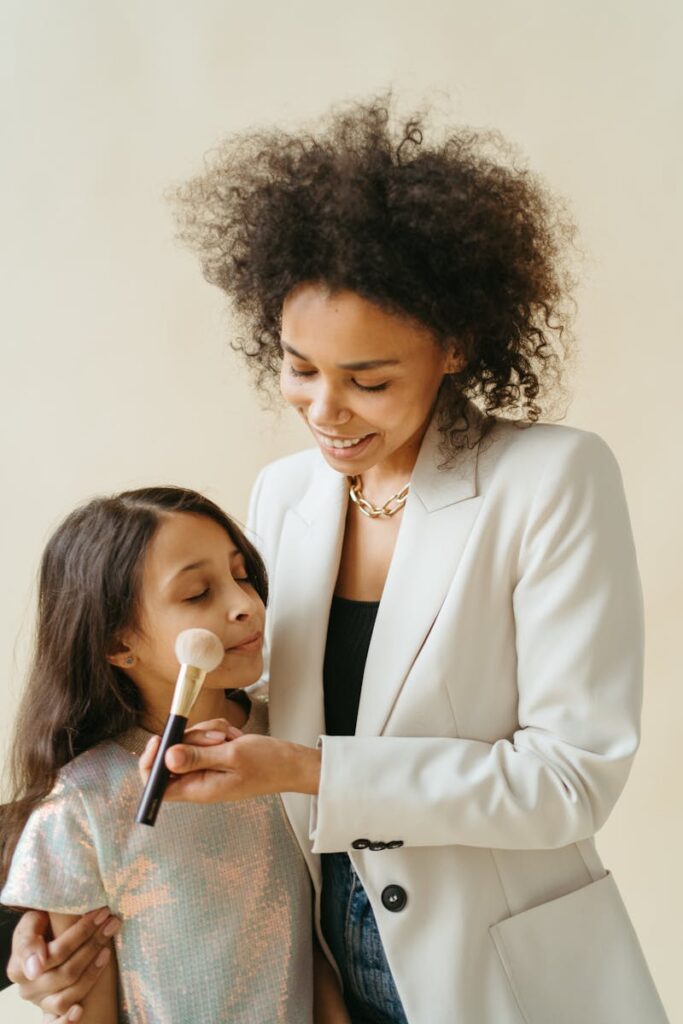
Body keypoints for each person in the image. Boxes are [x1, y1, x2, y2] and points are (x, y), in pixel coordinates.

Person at [8, 99, 670, 1023]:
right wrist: (64, 930)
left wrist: (307, 769)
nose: (324, 409)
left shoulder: (550, 479)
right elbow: (250, 706)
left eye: (368, 380)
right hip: (319, 961)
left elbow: (567, 783)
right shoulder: (288, 493)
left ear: (454, 346)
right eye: (297, 366)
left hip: (500, 972)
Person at [0, 487, 347, 1024]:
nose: (244, 605)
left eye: (243, 576)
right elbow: (87, 1008)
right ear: (118, 644)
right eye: (197, 593)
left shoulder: (289, 739)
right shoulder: (81, 805)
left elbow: (318, 949)